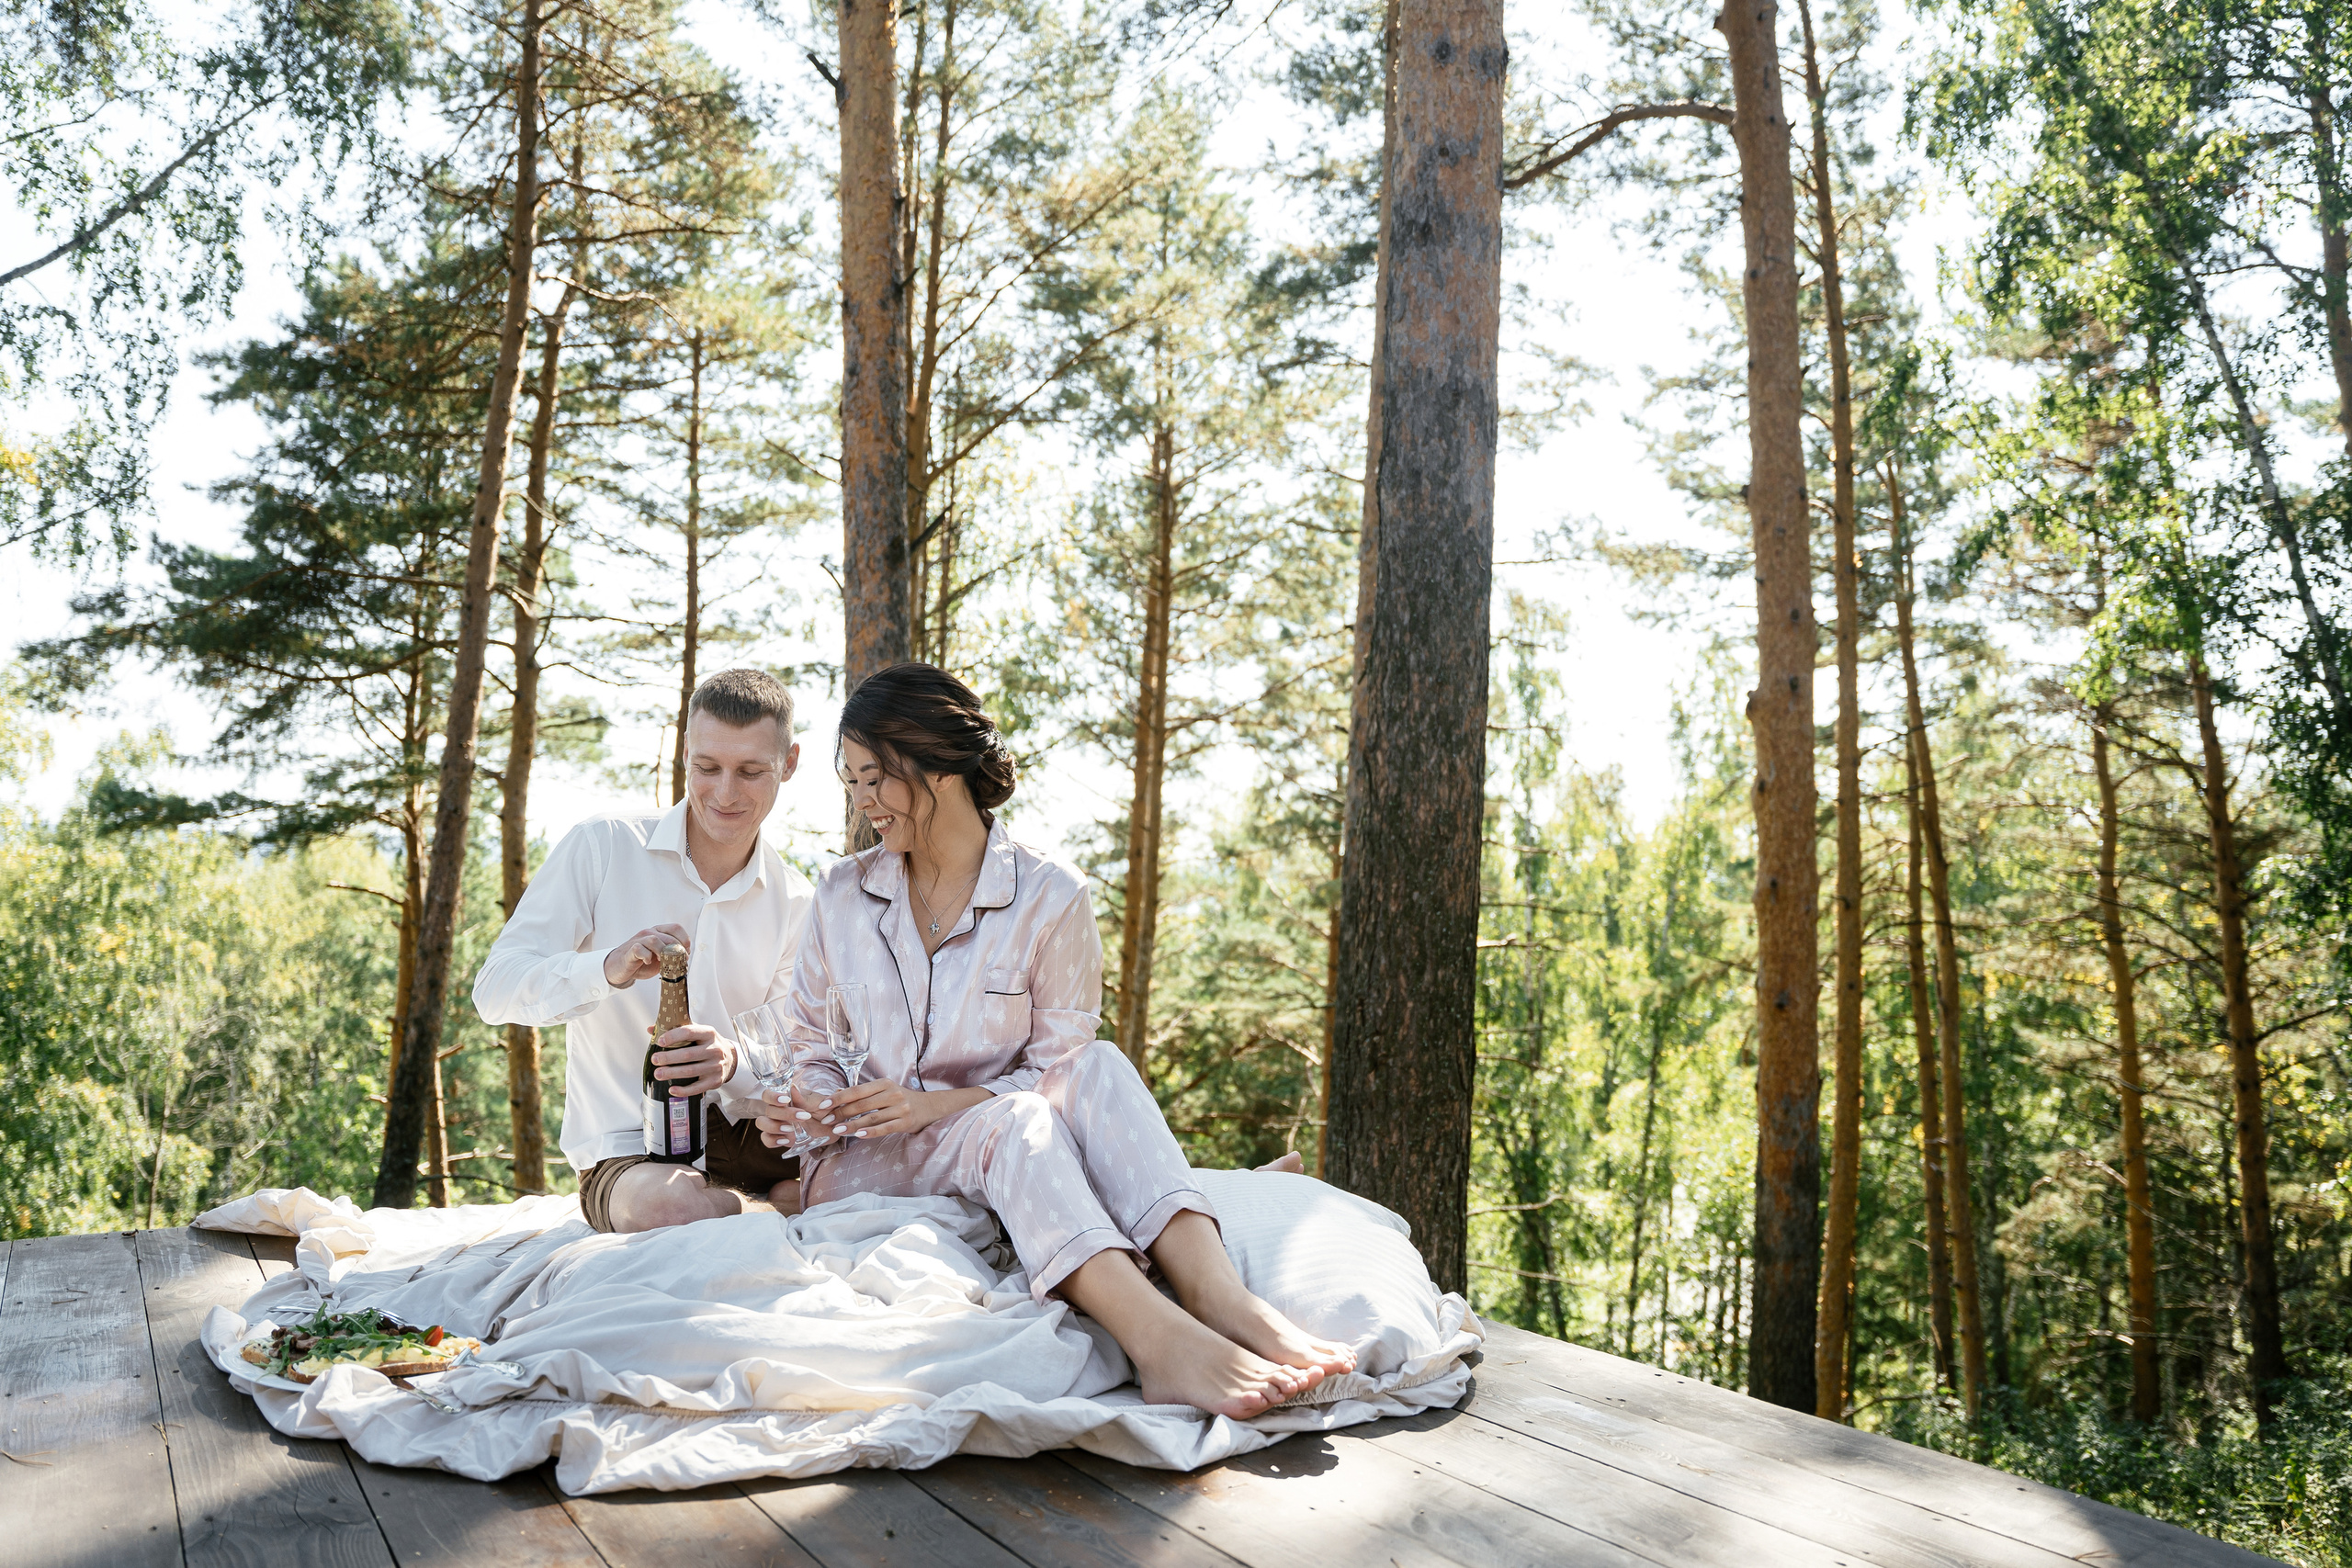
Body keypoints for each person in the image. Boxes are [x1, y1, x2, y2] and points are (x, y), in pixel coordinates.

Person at [753, 661, 1357, 1420]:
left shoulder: (1050, 894)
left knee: (1097, 1064)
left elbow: (1060, 1068)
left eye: (874, 777)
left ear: (936, 765)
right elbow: (811, 1044)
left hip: (996, 1133)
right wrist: (803, 1102)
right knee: (1017, 1120)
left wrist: (932, 1105)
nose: (861, 801)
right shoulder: (843, 894)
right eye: (851, 781)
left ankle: (1221, 1296)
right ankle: (1160, 1341)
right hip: (861, 1159)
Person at [475, 668, 813, 1234]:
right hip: (631, 1150)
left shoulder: (798, 899)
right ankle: (776, 1210)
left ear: (790, 763)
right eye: (707, 768)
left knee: (873, 1177)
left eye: (751, 772)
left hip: (747, 1139)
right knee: (669, 1208)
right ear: (685, 753)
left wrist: (733, 1061)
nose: (725, 793)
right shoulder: (602, 845)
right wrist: (604, 968)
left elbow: (789, 1056)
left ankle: (758, 1204)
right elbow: (496, 991)